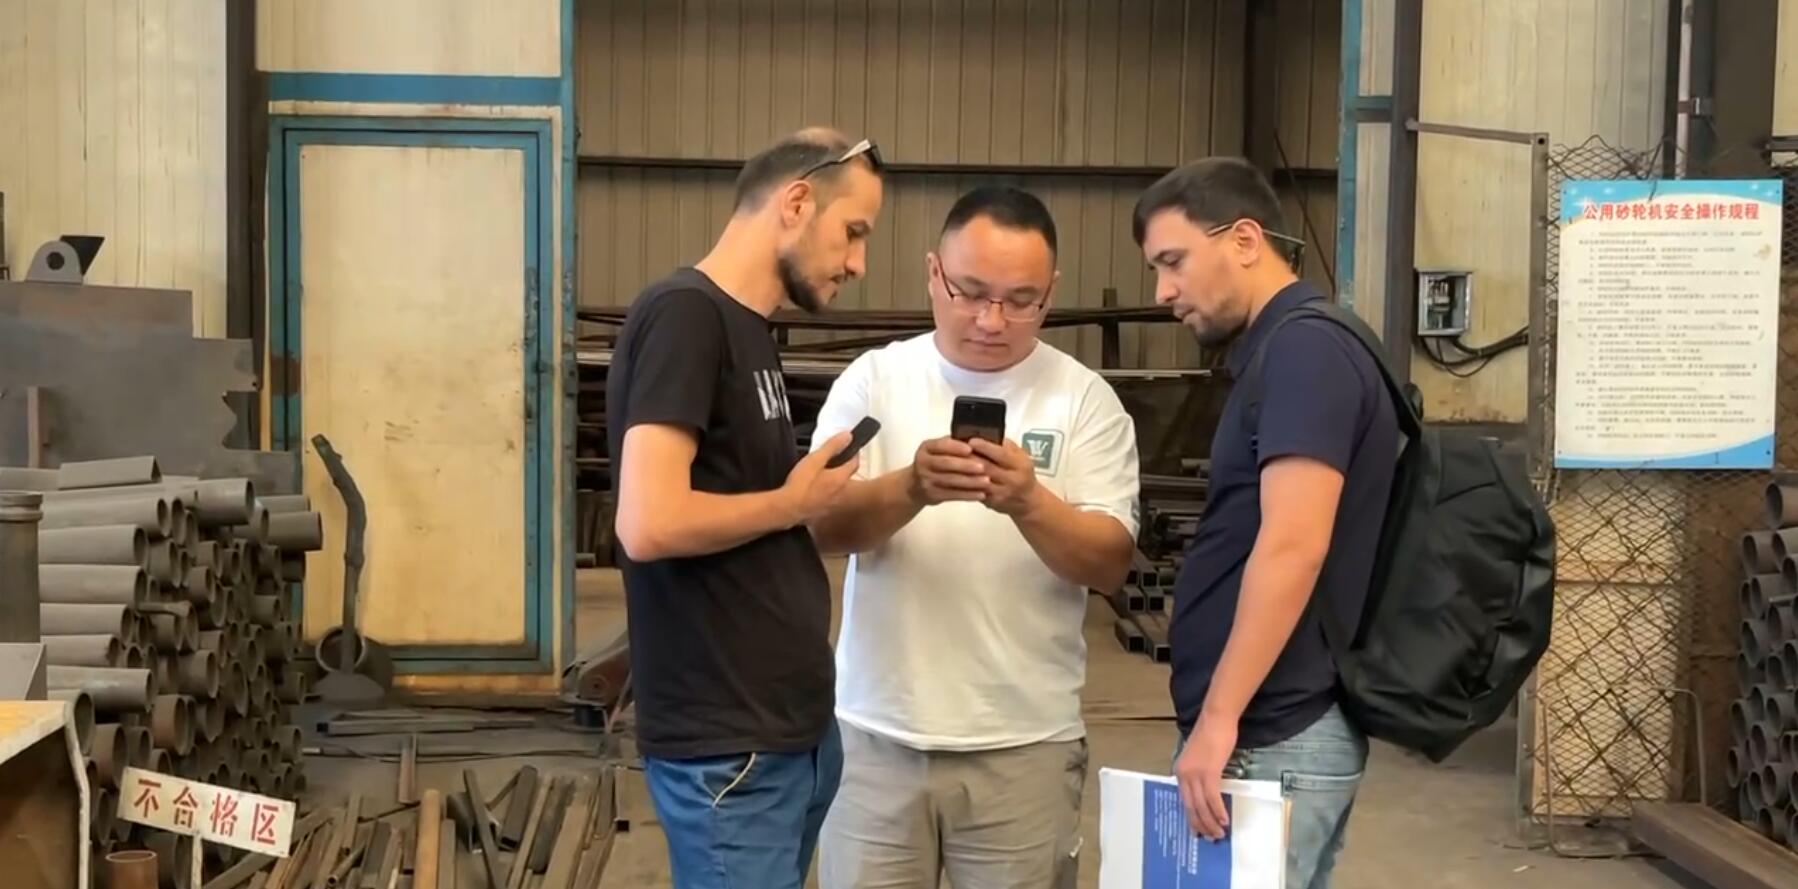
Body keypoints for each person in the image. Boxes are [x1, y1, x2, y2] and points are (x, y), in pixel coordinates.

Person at [806, 185, 1141, 889]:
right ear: (934, 274)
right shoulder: (874, 382)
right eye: (971, 292)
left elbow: (1110, 563)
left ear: (1051, 293)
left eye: (1021, 300)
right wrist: (911, 487)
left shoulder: (1085, 401)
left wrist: (1029, 502)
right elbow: (818, 526)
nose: (992, 320)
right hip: (874, 739)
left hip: (1025, 746)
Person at [604, 128, 885, 889]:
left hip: (783, 735)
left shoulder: (748, 329)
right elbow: (648, 522)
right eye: (853, 231)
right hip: (729, 749)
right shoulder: (685, 315)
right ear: (796, 202)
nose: (858, 262)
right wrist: (791, 502)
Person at [1132, 157, 1398, 889]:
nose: (1163, 292)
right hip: (1268, 731)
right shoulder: (1284, 349)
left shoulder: (1307, 351)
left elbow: (1292, 545)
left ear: (1245, 240)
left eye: (1174, 261)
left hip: (1272, 731)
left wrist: (1219, 719)